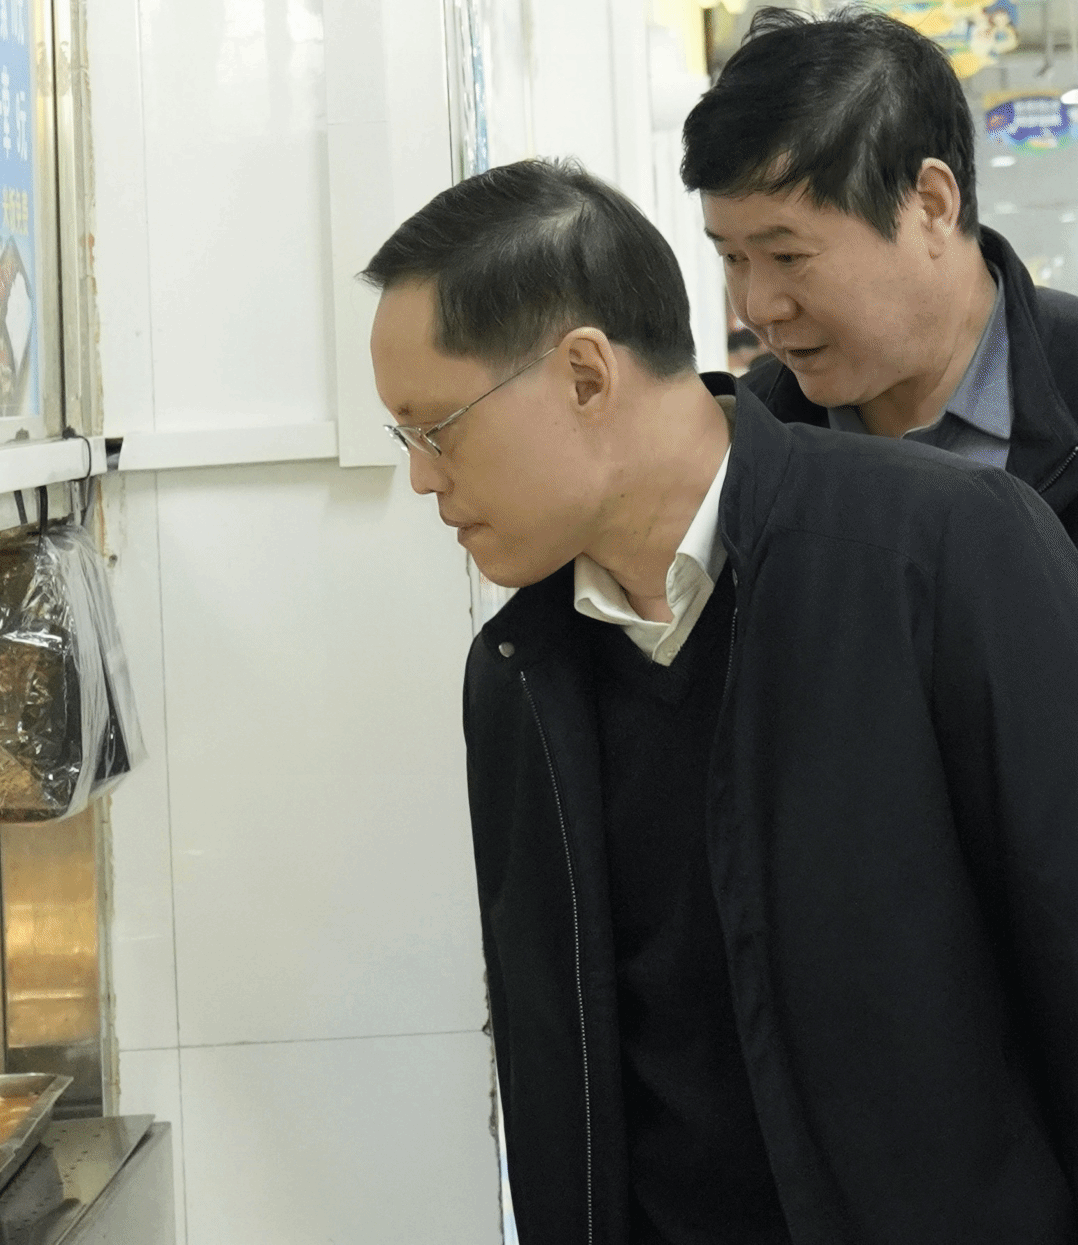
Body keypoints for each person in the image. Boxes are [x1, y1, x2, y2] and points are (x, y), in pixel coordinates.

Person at [365, 158, 1078, 1245]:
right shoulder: (516, 673)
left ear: (585, 375)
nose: (422, 478)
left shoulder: (938, 553)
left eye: (436, 427)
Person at [679, 5, 1078, 540]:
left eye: (788, 257)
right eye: (732, 258)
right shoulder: (737, 446)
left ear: (930, 206)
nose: (757, 308)